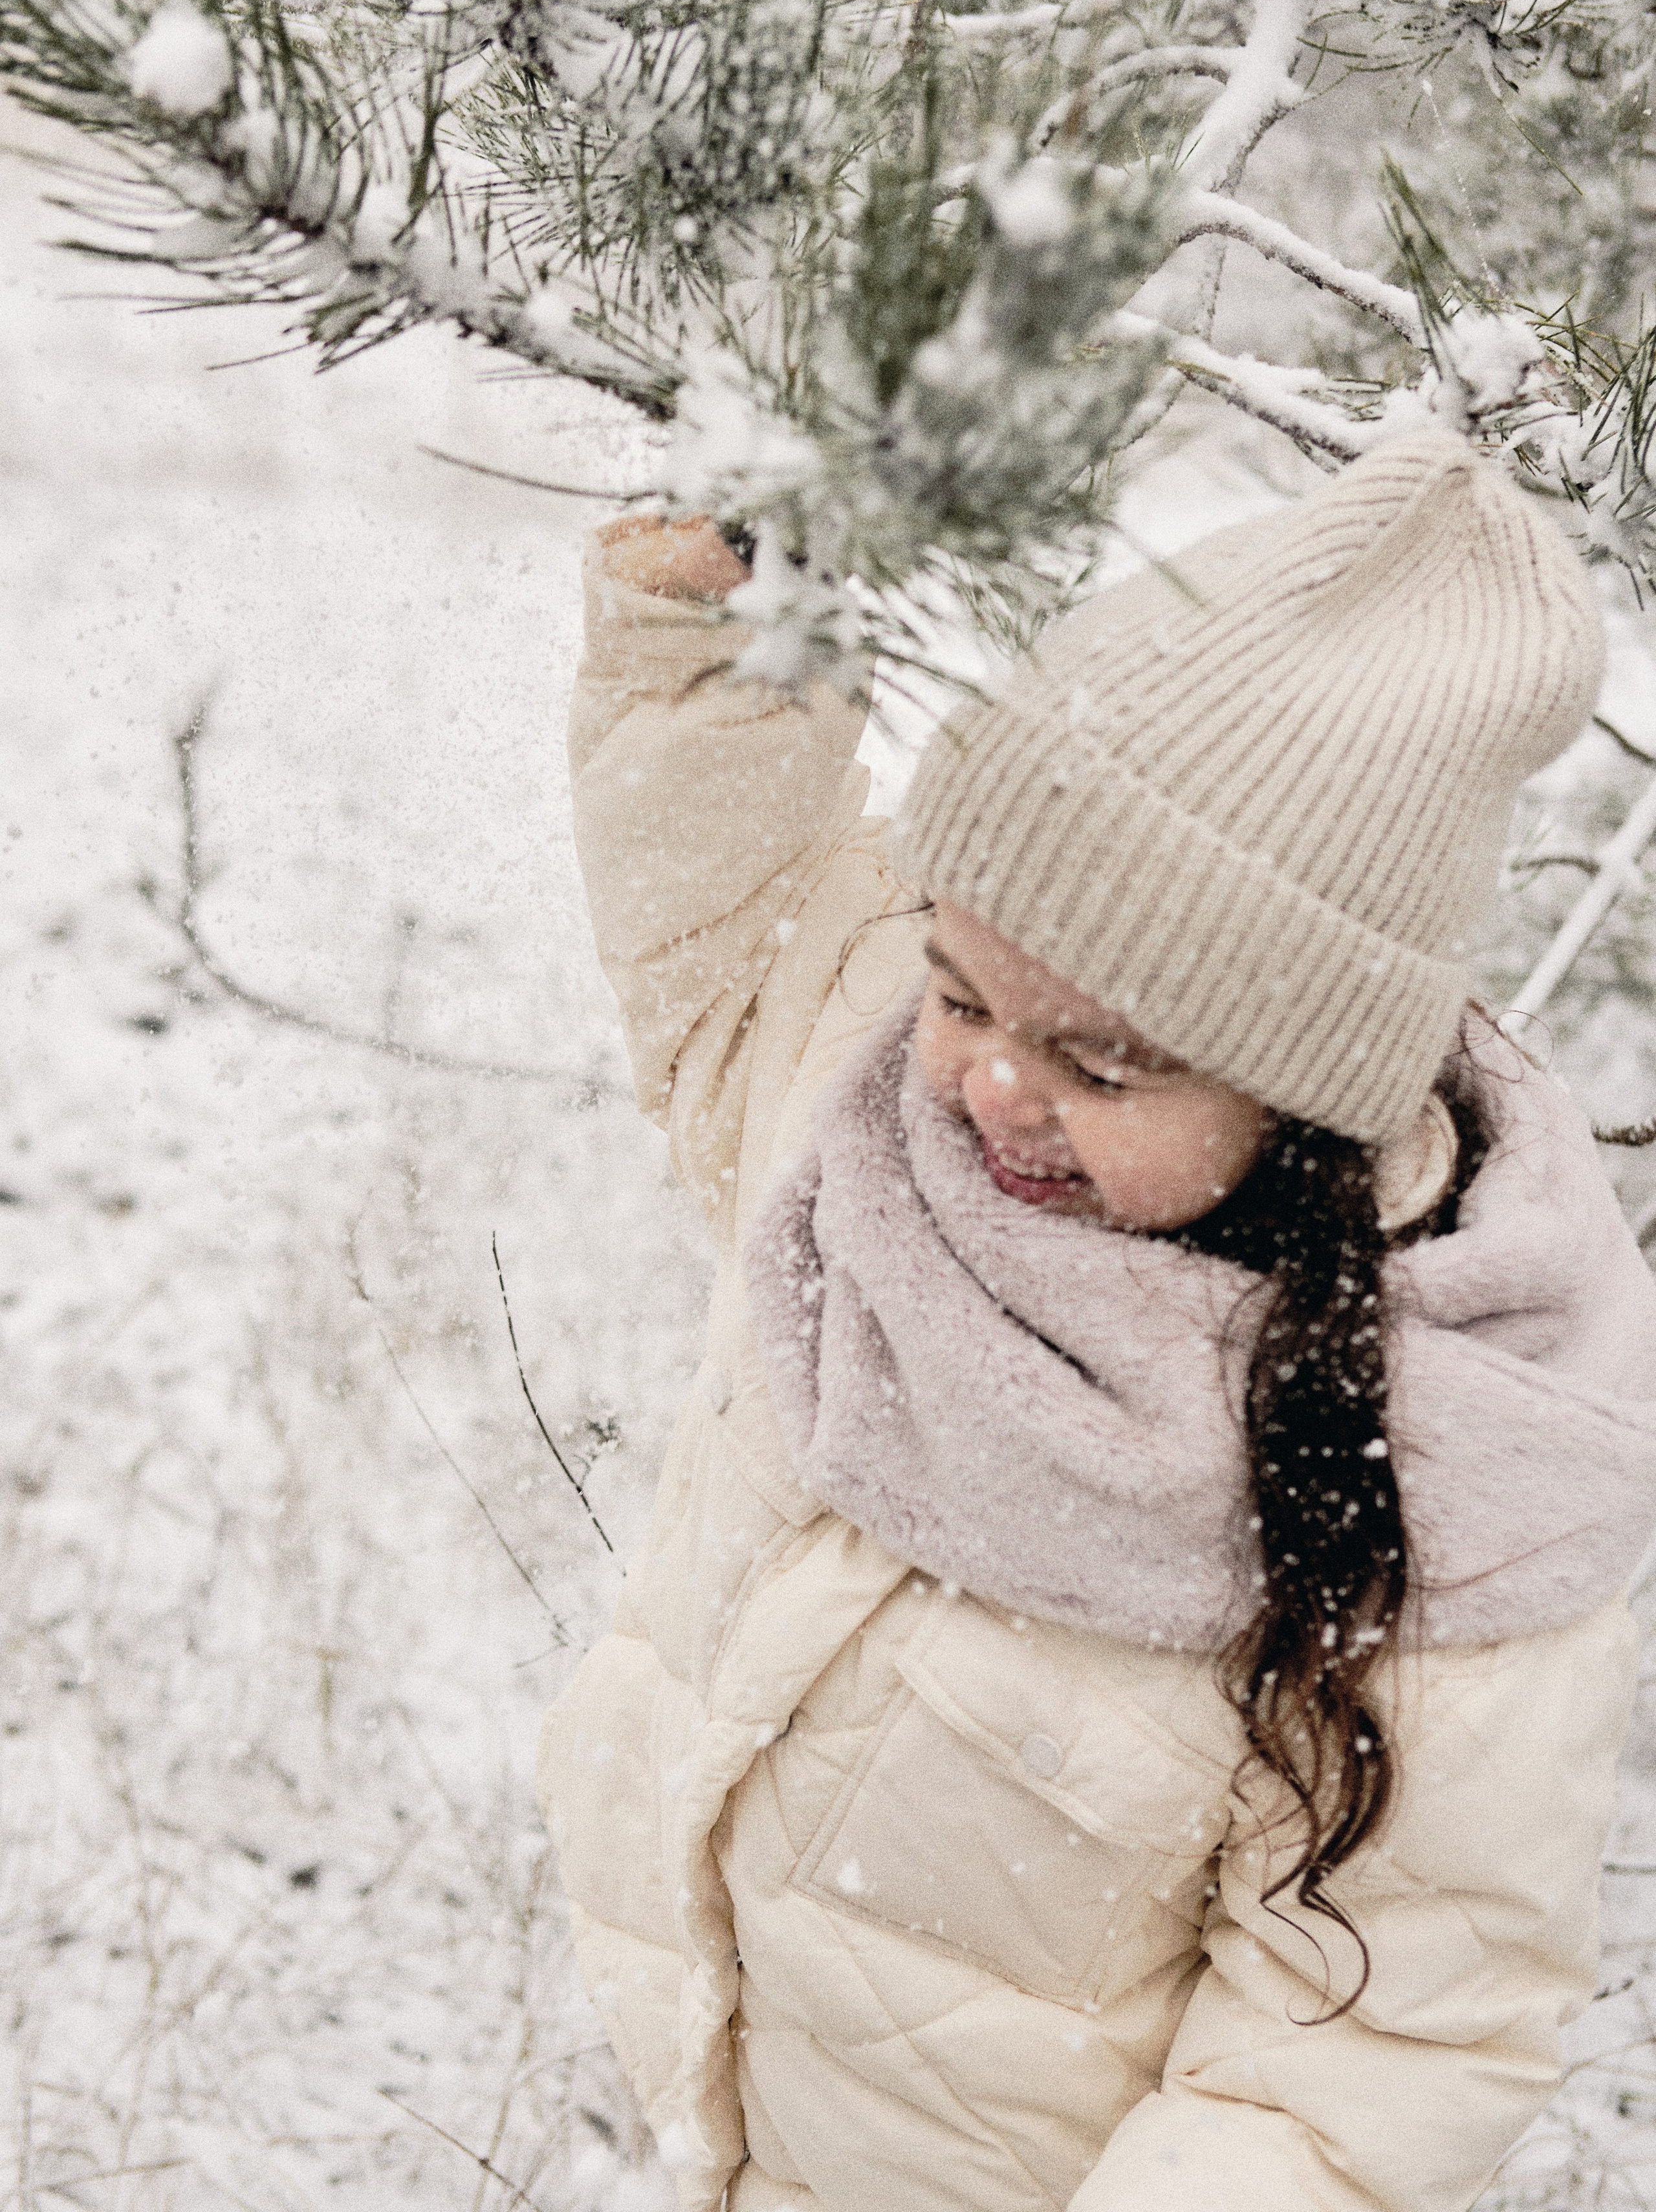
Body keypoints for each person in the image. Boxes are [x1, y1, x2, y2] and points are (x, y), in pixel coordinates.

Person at [538, 429, 1656, 2212]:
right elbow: (728, 943)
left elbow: (1369, 2051)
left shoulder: (1458, 1484)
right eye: (962, 991)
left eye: (1102, 1062)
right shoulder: (870, 1127)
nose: (990, 1082)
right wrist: (712, 652)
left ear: (1306, 1088)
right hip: (727, 2106)